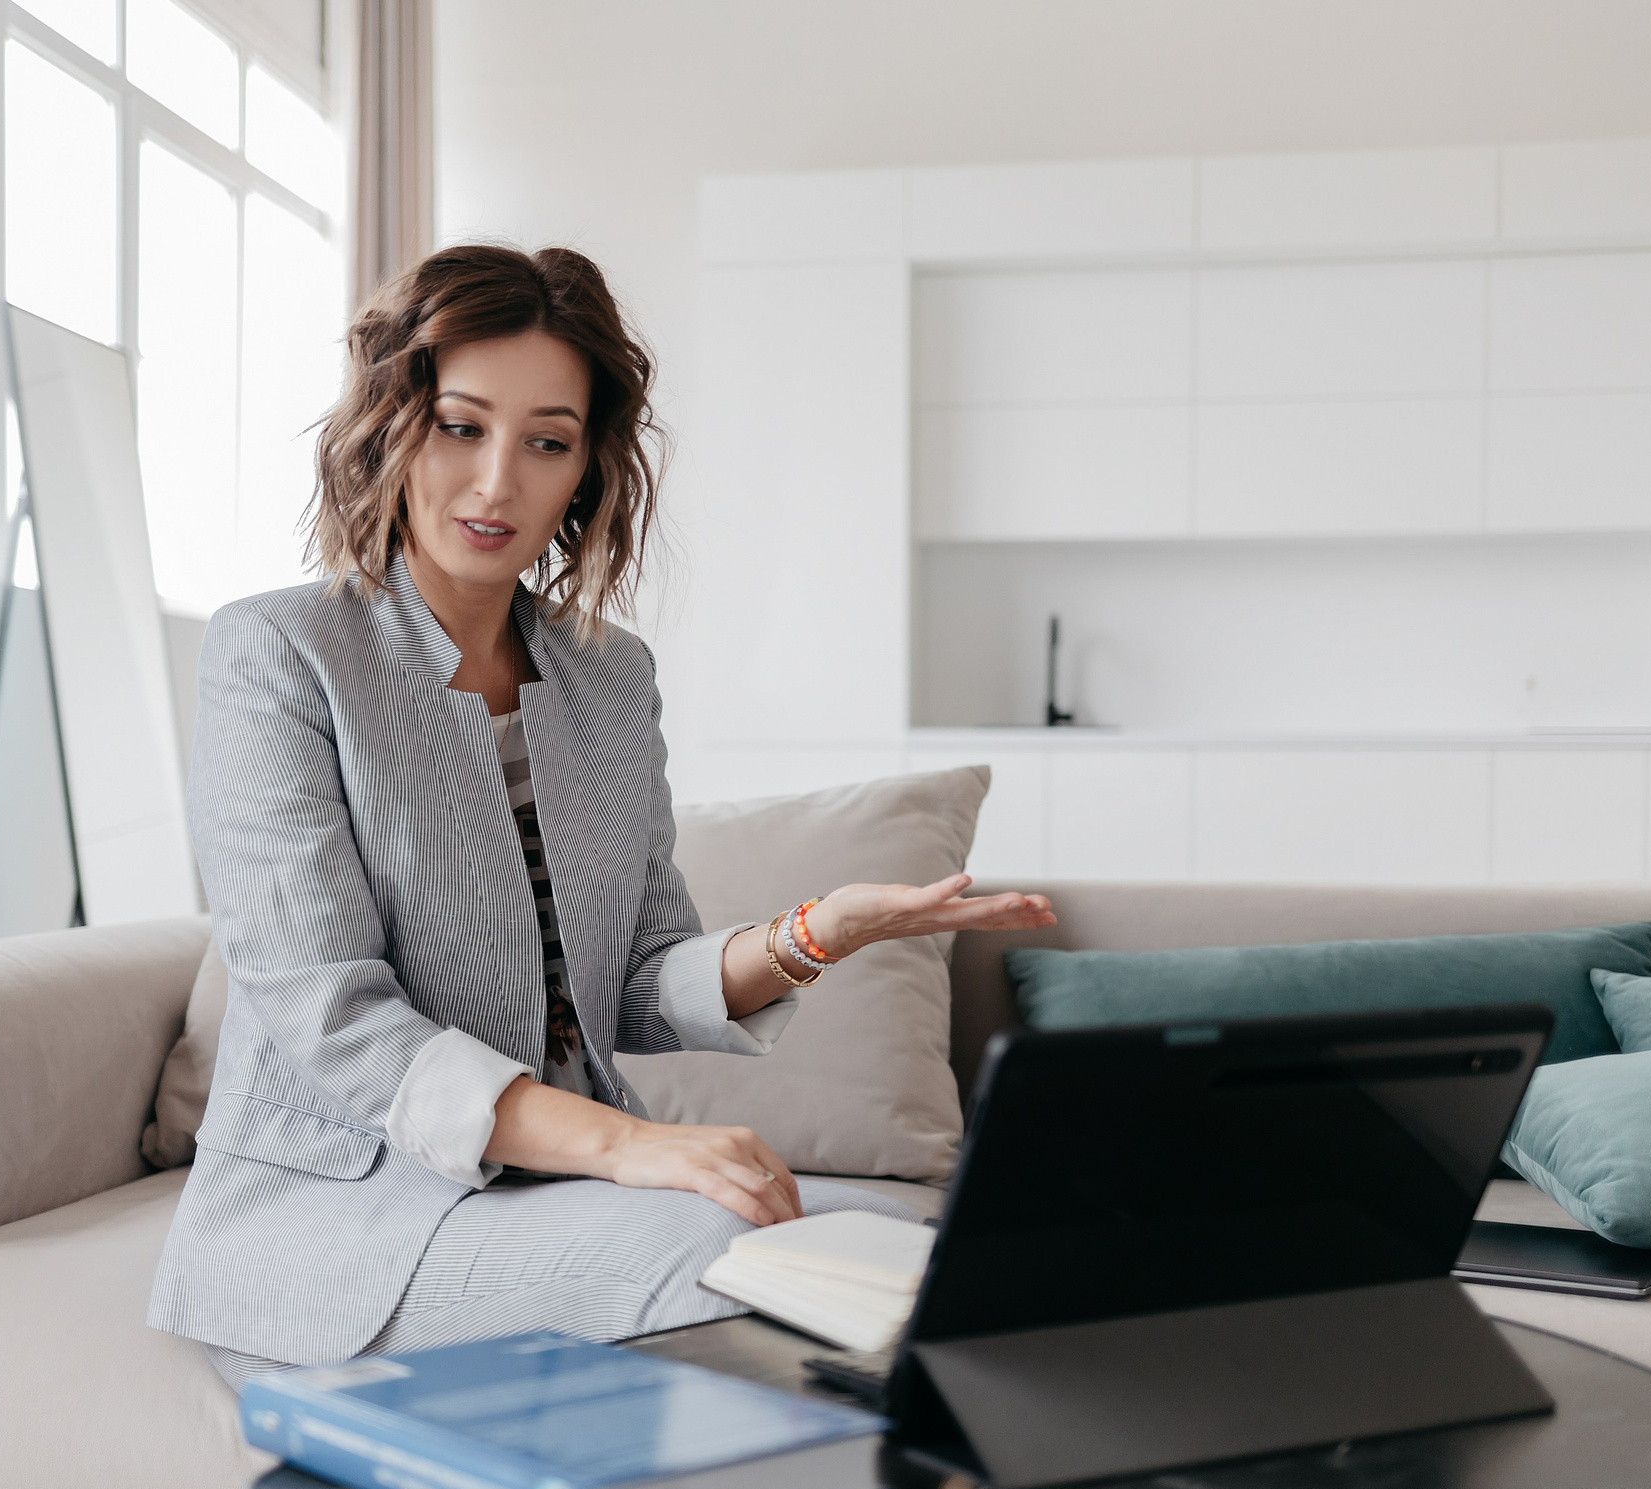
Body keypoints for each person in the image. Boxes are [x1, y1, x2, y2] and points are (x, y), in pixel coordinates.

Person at [150, 244, 1055, 1382]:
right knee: (718, 1250)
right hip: (339, 1210)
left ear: (587, 469)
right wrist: (632, 1147)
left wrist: (821, 933)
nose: (497, 485)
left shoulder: (607, 677)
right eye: (460, 426)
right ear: (390, 426)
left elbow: (637, 978)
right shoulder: (279, 652)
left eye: (546, 442)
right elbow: (332, 1019)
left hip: (549, 1178)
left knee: (938, 1249)